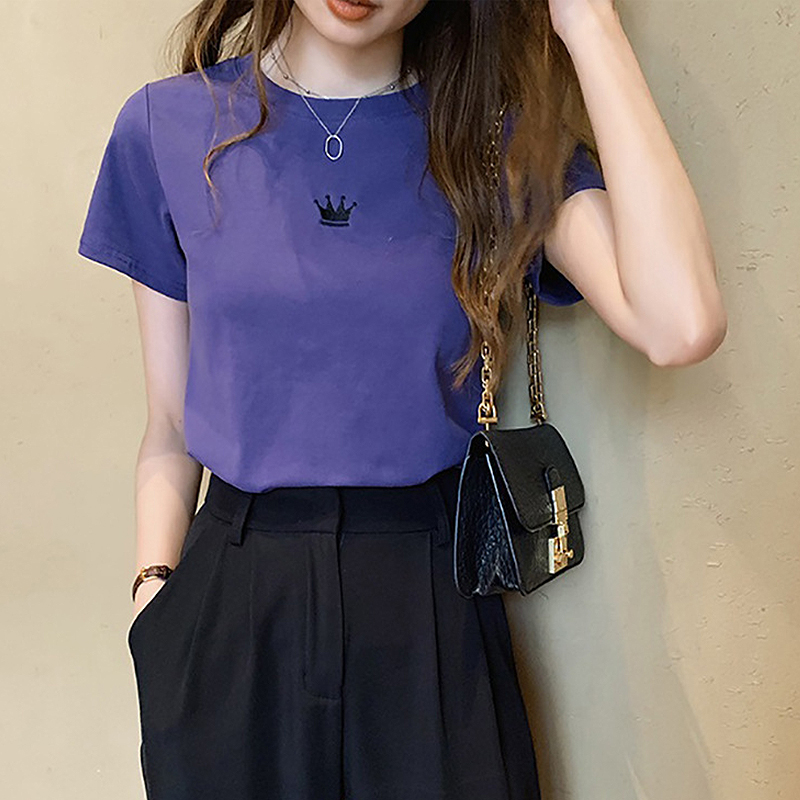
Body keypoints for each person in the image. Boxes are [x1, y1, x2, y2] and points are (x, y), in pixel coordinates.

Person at [77, 0, 726, 797]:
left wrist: (589, 23)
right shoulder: (168, 129)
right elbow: (172, 425)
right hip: (233, 607)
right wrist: (153, 598)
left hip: (430, 605)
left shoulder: (492, 142)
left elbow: (681, 324)